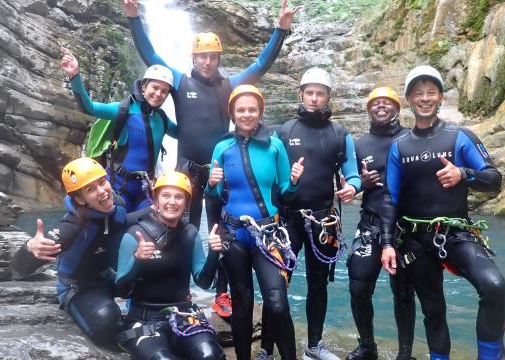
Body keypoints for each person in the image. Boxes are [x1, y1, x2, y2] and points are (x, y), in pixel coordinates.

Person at [122, 0, 299, 316]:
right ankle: (178, 292)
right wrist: (135, 19)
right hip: (186, 171)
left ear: (219, 58)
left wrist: (280, 30)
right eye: (202, 56)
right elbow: (152, 58)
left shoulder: (229, 85)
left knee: (221, 232)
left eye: (213, 56)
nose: (207, 61)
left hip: (221, 170)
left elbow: (260, 65)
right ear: (194, 57)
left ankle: (221, 293)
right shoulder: (180, 82)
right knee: (177, 227)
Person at [379, 65, 505, 360]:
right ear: (410, 99)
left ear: (440, 98)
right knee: (432, 309)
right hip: (415, 240)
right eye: (418, 93)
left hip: (456, 234)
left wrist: (464, 174)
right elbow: (390, 198)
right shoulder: (399, 146)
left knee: (494, 286)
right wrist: (387, 244)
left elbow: (494, 180)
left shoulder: (460, 136)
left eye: (431, 92)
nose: (424, 98)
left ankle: (490, 356)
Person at [261, 67, 360, 360]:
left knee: (318, 283)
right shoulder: (284, 132)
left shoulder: (339, 134)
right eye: (310, 93)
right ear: (301, 95)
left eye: (320, 93)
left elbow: (352, 174)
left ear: (328, 97)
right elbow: (271, 179)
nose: (315, 98)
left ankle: (314, 344)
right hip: (288, 218)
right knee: (276, 282)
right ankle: (267, 347)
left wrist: (352, 188)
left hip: (323, 220)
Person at [206, 85, 304, 360]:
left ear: (260, 112)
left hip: (267, 233)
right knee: (242, 301)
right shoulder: (222, 147)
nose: (247, 114)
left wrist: (295, 181)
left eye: (252, 109)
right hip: (234, 234)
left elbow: (285, 191)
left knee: (276, 302)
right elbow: (213, 194)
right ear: (233, 114)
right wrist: (212, 185)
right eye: (241, 110)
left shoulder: (275, 146)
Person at [10, 157, 129, 348]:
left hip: (108, 277)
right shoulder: (72, 228)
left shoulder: (119, 205)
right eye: (91, 189)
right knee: (109, 325)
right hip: (78, 288)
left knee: (157, 282)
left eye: (102, 182)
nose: (103, 192)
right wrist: (30, 247)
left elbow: (128, 224)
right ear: (79, 199)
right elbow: (18, 269)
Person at [114, 171, 225, 360]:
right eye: (166, 196)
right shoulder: (135, 235)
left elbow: (204, 282)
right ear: (156, 199)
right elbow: (121, 290)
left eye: (178, 197)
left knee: (211, 355)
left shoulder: (190, 233)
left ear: (186, 203)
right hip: (144, 318)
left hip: (183, 315)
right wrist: (138, 260)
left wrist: (215, 253)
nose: (171, 202)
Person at [61, 48, 177, 211]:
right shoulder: (124, 109)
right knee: (118, 223)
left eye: (164, 91)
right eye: (155, 88)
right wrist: (74, 76)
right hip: (117, 185)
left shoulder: (162, 119)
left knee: (150, 227)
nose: (159, 94)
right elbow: (90, 108)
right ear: (144, 87)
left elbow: (184, 133)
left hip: (145, 190)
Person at [347, 87, 415, 360]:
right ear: (369, 109)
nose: (381, 106)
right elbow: (347, 184)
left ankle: (405, 353)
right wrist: (360, 184)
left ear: (397, 108)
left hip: (406, 227)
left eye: (387, 102)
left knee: (403, 291)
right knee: (358, 287)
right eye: (376, 103)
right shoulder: (360, 144)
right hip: (370, 224)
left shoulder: (411, 138)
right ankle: (367, 345)